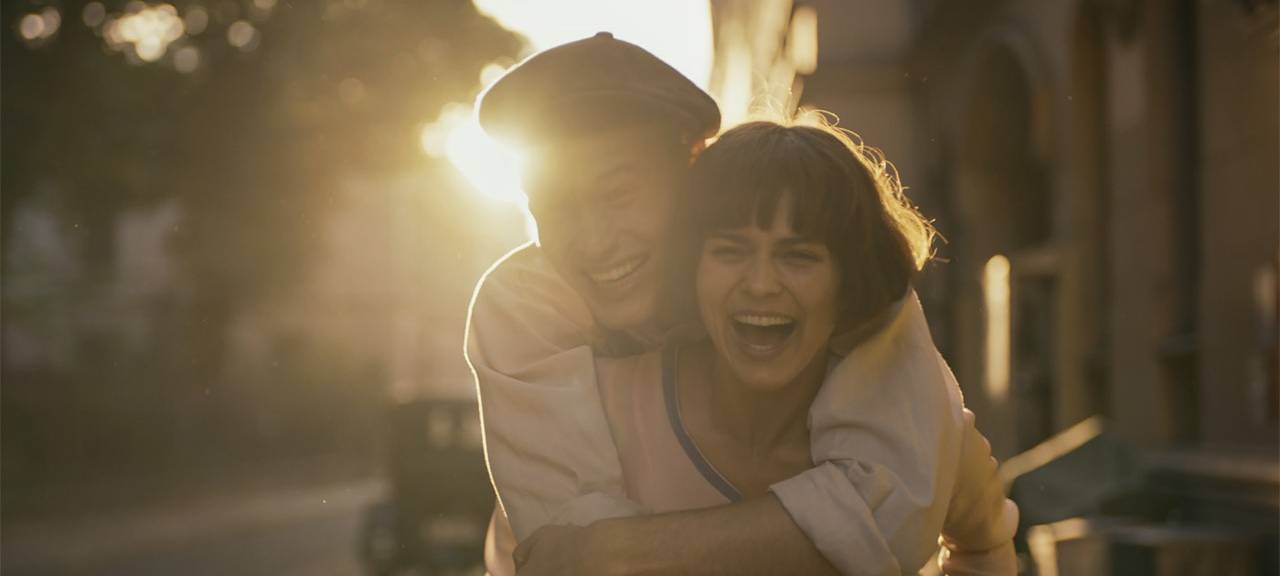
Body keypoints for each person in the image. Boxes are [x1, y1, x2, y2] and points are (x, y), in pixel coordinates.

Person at [466, 33, 1016, 575]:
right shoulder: (528, 306)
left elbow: (898, 515)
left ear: (691, 168)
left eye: (619, 195)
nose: (593, 241)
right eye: (556, 207)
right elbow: (570, 548)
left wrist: (619, 551)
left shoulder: (862, 307)